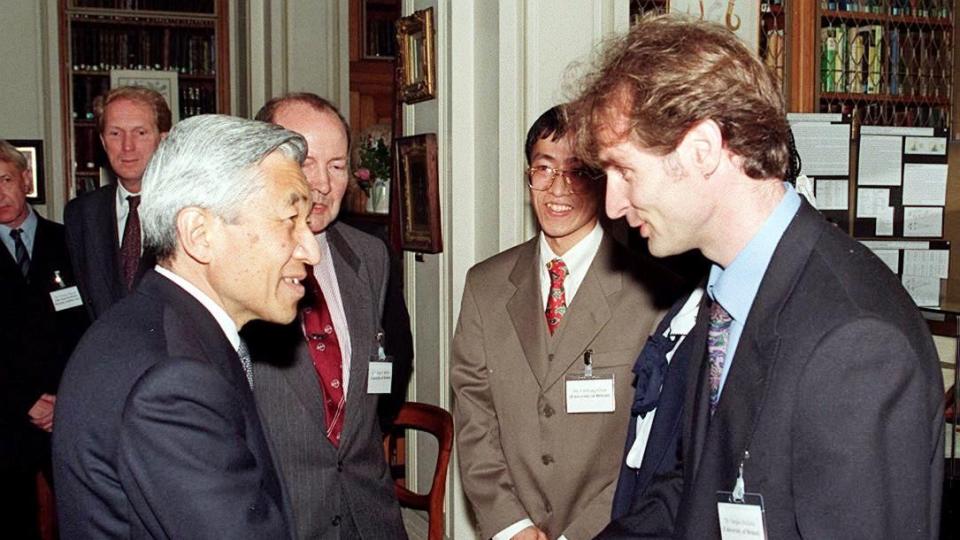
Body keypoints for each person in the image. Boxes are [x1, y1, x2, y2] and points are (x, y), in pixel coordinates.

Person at [568, 15, 943, 539]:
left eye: (625, 171)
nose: (612, 203)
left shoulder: (856, 342)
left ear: (701, 150)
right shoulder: (723, 294)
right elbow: (694, 493)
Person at [53, 114, 320, 538]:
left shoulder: (151, 323)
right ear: (199, 233)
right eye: (290, 220)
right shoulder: (173, 382)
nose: (311, 250)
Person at [451, 105, 683, 540]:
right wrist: (511, 524)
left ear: (602, 181)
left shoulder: (654, 295)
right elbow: (474, 420)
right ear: (529, 177)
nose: (558, 188)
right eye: (544, 168)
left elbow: (654, 442)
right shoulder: (485, 286)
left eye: (576, 172)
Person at [243, 92, 408, 539]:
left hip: (368, 514)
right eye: (306, 161)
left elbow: (385, 372)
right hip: (278, 516)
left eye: (336, 166)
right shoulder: (236, 263)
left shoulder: (369, 257)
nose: (321, 183)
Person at [0, 140, 87, 539]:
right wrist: (25, 401)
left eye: (5, 179)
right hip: (7, 418)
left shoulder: (70, 242)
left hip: (68, 414)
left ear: (26, 179)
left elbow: (90, 328)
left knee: (83, 520)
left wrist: (64, 399)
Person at [64, 86, 171, 320]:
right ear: (103, 141)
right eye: (115, 133)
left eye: (140, 133)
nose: (127, 146)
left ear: (162, 140)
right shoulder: (81, 213)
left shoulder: (188, 210)